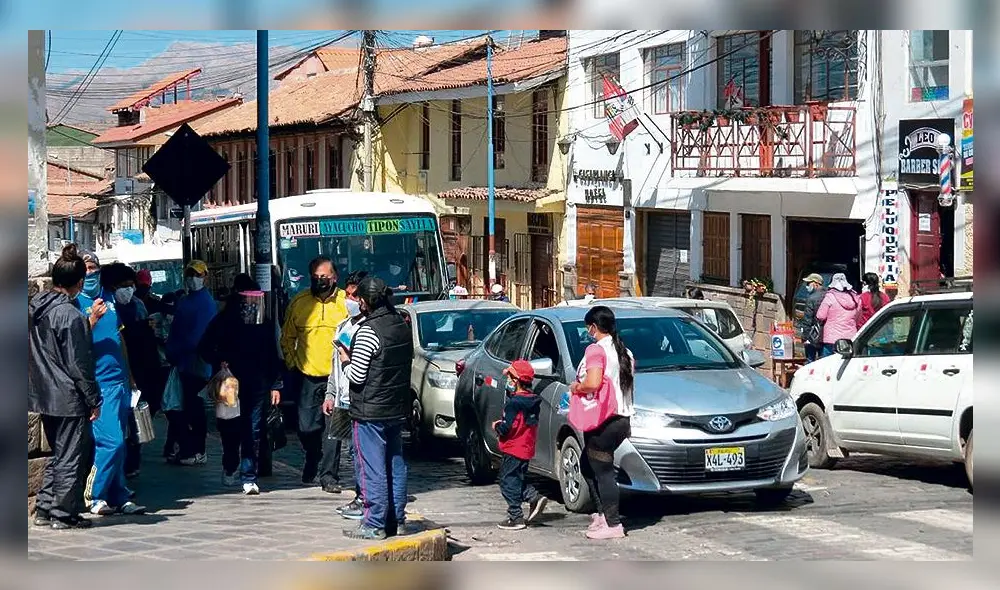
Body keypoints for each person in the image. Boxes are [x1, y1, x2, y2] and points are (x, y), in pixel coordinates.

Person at [29, 244, 102, 530]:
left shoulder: (37, 309)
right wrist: (93, 399)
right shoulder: (70, 316)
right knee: (71, 456)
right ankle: (63, 513)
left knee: (59, 455)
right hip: (67, 395)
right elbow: (80, 364)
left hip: (44, 393)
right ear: (79, 282)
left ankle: (46, 508)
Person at [340, 277, 414, 540]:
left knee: (372, 467)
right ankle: (398, 519)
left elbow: (357, 376)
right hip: (396, 407)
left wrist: (345, 360)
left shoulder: (368, 331)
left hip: (371, 411)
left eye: (359, 299)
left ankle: (374, 523)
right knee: (395, 463)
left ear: (366, 302)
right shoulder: (402, 325)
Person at [199, 274, 283, 495]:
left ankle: (249, 475)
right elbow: (204, 347)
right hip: (229, 383)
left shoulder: (263, 323)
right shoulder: (223, 320)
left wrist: (275, 384)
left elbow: (272, 354)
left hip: (256, 383)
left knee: (252, 429)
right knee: (229, 427)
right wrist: (219, 361)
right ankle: (230, 464)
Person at [77, 258, 147, 516]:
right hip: (98, 384)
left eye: (95, 268)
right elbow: (74, 341)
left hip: (119, 382)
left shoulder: (110, 299)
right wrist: (92, 319)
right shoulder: (76, 303)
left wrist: (130, 376)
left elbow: (120, 338)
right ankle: (95, 494)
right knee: (111, 442)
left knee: (123, 440)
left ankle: (119, 493)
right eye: (87, 269)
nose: (91, 273)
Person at [280, 256, 349, 485]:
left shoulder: (345, 302)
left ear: (334, 278)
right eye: (316, 277)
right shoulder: (299, 302)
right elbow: (287, 337)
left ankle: (329, 476)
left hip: (336, 377)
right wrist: (291, 362)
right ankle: (312, 454)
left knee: (333, 430)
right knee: (305, 427)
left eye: (324, 277)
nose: (320, 281)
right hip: (307, 375)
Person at [569, 305, 634, 540]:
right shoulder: (625, 352)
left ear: (594, 327)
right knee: (587, 465)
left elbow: (593, 383)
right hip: (622, 420)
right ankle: (602, 515)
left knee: (604, 471)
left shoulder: (596, 350)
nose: (588, 332)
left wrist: (577, 387)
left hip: (604, 420)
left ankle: (613, 524)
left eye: (589, 328)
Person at [323, 271, 368, 509]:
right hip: (341, 398)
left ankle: (365, 496)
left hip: (359, 399)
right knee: (351, 451)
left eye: (355, 295)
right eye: (347, 294)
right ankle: (360, 494)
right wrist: (330, 394)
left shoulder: (368, 328)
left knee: (360, 451)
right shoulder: (343, 326)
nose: (349, 300)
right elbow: (335, 365)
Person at [165, 260, 217, 465]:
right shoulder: (186, 301)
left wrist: (176, 351)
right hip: (182, 364)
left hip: (197, 365)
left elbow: (197, 338)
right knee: (180, 408)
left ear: (205, 277)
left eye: (197, 274)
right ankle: (185, 448)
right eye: (190, 274)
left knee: (194, 410)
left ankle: (196, 450)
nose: (193, 278)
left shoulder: (206, 303)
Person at [116, 265, 160, 480]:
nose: (129, 290)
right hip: (118, 374)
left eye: (130, 286)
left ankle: (132, 462)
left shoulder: (138, 306)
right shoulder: (108, 310)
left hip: (140, 373)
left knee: (136, 419)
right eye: (123, 286)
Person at [493, 359, 547, 531]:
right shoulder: (533, 401)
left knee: (506, 481)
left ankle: (516, 516)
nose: (507, 380)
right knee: (517, 478)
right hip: (526, 447)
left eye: (509, 376)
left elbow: (507, 428)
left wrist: (496, 426)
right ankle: (533, 497)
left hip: (513, 447)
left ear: (515, 381)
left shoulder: (514, 403)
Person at [816, 273, 860, 357]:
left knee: (828, 364)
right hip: (850, 338)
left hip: (831, 338)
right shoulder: (855, 298)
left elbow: (820, 315)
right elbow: (858, 317)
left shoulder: (830, 297)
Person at [796, 273, 827, 363]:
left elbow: (807, 320)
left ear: (815, 284)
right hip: (825, 334)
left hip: (813, 334)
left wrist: (805, 336)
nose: (807, 286)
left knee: (810, 360)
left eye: (808, 283)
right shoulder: (828, 295)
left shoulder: (811, 298)